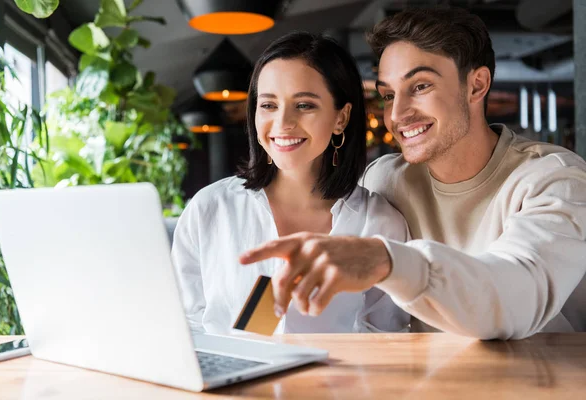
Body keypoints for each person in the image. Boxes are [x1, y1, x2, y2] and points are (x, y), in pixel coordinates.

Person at [240, 8, 586, 340]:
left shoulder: (555, 180)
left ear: (477, 85)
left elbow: (514, 298)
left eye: (420, 86)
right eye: (389, 95)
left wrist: (386, 261)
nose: (398, 114)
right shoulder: (386, 180)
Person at [171, 32, 410, 335]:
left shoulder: (379, 223)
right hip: (227, 380)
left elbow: (385, 339)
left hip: (332, 382)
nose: (283, 123)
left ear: (341, 117)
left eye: (304, 105)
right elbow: (186, 329)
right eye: (269, 105)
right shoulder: (208, 209)